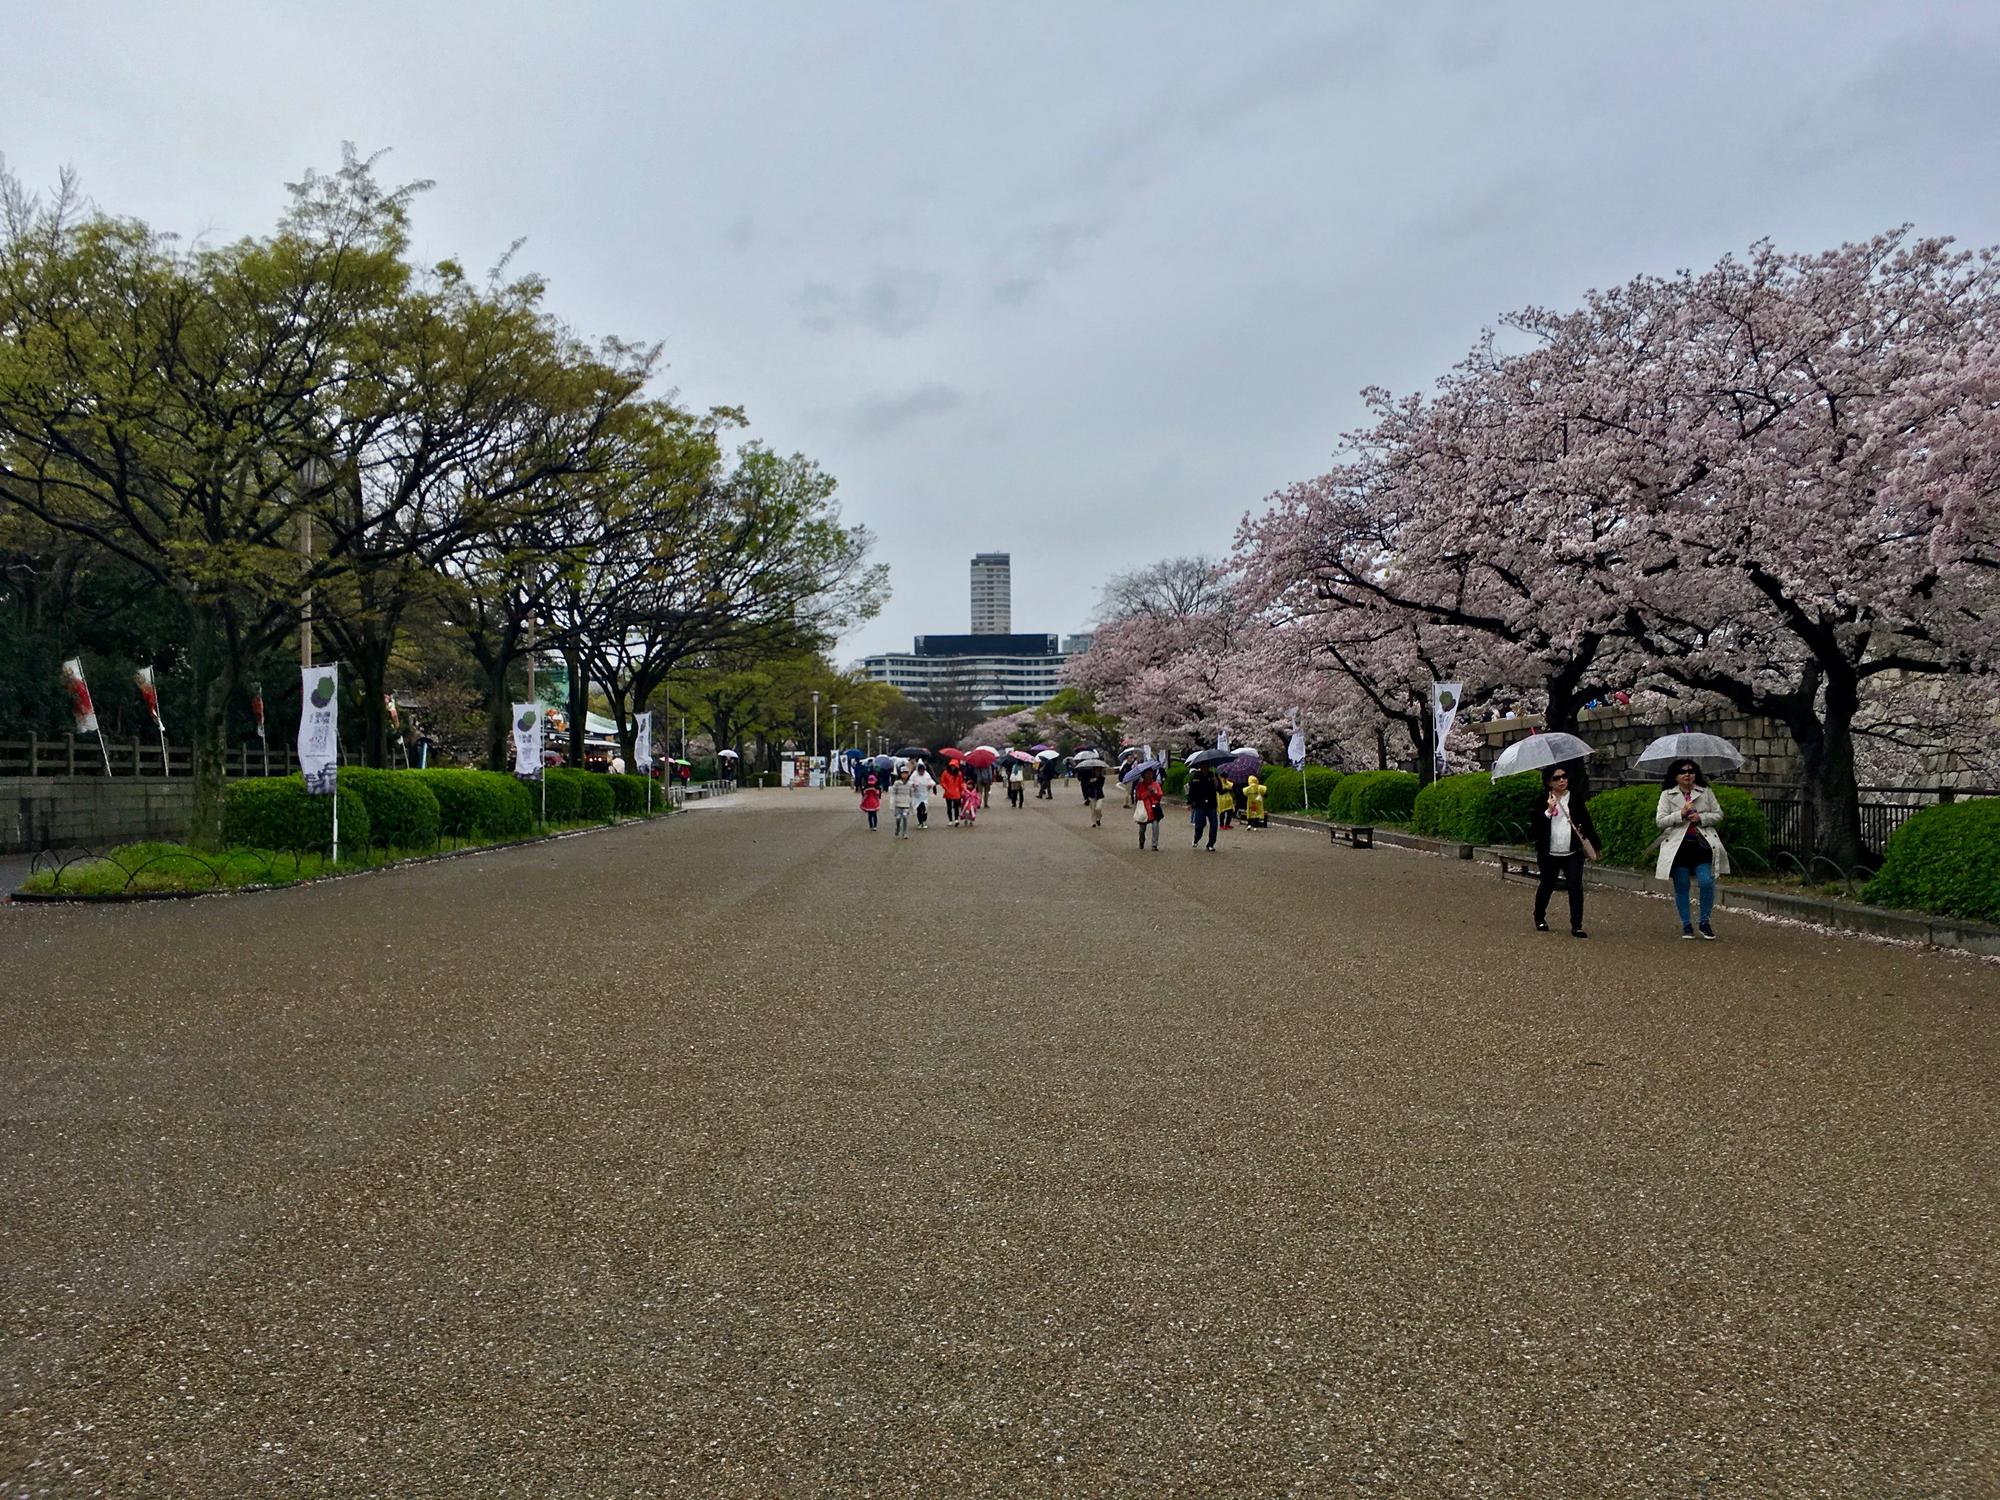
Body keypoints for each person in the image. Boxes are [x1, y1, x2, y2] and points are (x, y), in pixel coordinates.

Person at [1655, 760, 1729, 939]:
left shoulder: (1706, 793)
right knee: (1682, 886)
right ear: (1675, 776)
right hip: (1679, 847)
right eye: (1682, 772)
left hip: (1701, 844)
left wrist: (1700, 817)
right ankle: (1686, 924)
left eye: (1691, 771)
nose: (1687, 775)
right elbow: (1660, 821)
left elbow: (1718, 814)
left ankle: (1704, 922)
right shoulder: (1667, 795)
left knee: (1706, 882)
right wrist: (1680, 814)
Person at [1531, 765, 1599, 936]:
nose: (1562, 780)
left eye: (1564, 776)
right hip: (1549, 851)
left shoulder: (1574, 798)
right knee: (1547, 884)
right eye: (1557, 778)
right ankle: (1539, 917)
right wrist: (1548, 811)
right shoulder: (1542, 799)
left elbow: (1586, 822)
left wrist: (1596, 845)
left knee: (1575, 885)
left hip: (1572, 850)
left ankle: (1577, 924)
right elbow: (1535, 827)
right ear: (1548, 782)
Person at [1187, 764, 1219, 851]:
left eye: (1207, 766)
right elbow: (1192, 790)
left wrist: (1216, 781)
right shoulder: (1196, 776)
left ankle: (1210, 844)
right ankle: (1197, 838)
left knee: (1214, 824)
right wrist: (1190, 802)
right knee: (1199, 825)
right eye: (1203, 766)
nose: (1205, 768)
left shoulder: (1213, 775)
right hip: (1200, 804)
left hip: (1211, 804)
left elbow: (1219, 789)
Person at [1133, 767, 1164, 850]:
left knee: (1155, 826)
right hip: (1144, 809)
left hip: (1154, 809)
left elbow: (1160, 795)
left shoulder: (1156, 784)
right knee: (1142, 829)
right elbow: (1139, 797)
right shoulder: (1140, 785)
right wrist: (1148, 792)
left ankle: (1154, 844)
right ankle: (1141, 841)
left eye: (1151, 773)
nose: (1149, 775)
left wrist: (1155, 793)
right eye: (1147, 773)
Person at [890, 767, 915, 839]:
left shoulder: (910, 784)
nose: (905, 775)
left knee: (905, 817)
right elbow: (893, 793)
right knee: (898, 818)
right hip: (898, 803)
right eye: (903, 773)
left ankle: (905, 832)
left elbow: (912, 794)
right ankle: (898, 828)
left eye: (906, 773)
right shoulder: (897, 783)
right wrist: (892, 803)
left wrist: (912, 805)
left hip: (906, 803)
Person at [1078, 763, 1107, 827]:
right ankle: (1093, 822)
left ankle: (1098, 818)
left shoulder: (1102, 778)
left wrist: (1095, 781)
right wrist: (1091, 782)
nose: (1097, 772)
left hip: (1099, 795)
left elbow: (1100, 786)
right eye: (1096, 770)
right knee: (1093, 809)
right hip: (1092, 794)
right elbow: (1087, 786)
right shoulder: (1090, 778)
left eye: (1099, 770)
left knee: (1098, 808)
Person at [910, 761, 936, 830]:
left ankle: (924, 821)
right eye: (920, 771)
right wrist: (913, 786)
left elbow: (932, 782)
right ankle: (920, 822)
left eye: (922, 770)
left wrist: (930, 786)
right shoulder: (914, 775)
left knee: (924, 808)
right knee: (919, 808)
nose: (921, 772)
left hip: (924, 795)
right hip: (916, 795)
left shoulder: (927, 775)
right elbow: (910, 782)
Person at [939, 760, 965, 825]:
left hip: (956, 792)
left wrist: (962, 790)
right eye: (952, 766)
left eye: (954, 766)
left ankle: (956, 819)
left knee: (956, 806)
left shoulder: (959, 774)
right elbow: (942, 781)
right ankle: (950, 820)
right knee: (949, 807)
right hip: (948, 792)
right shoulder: (945, 773)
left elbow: (961, 782)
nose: (953, 767)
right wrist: (946, 788)